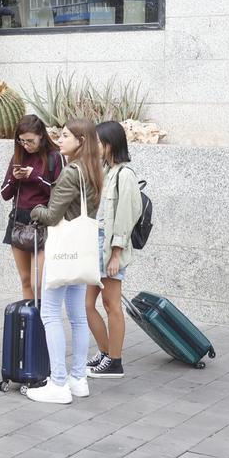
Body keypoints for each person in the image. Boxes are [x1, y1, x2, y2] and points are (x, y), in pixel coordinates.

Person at [26, 118, 103, 405]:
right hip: (81, 253)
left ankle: (58, 382)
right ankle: (78, 379)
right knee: (78, 316)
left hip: (63, 252)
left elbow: (52, 216)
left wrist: (35, 210)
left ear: (80, 141)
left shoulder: (71, 172)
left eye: (66, 135)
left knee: (50, 313)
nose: (59, 140)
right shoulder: (93, 170)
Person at [85, 120, 143, 380]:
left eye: (98, 142)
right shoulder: (106, 172)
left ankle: (115, 361)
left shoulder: (125, 175)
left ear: (110, 144)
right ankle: (106, 352)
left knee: (111, 304)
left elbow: (125, 217)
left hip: (110, 247)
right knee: (87, 305)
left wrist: (116, 254)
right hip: (96, 243)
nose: (94, 146)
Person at [0, 115, 63, 300]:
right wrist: (15, 178)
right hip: (18, 221)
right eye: (22, 141)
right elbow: (5, 193)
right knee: (26, 280)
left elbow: (61, 194)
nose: (26, 145)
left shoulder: (54, 157)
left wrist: (35, 176)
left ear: (41, 136)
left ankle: (43, 316)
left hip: (42, 223)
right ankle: (29, 317)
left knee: (39, 283)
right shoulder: (18, 156)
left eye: (30, 141)